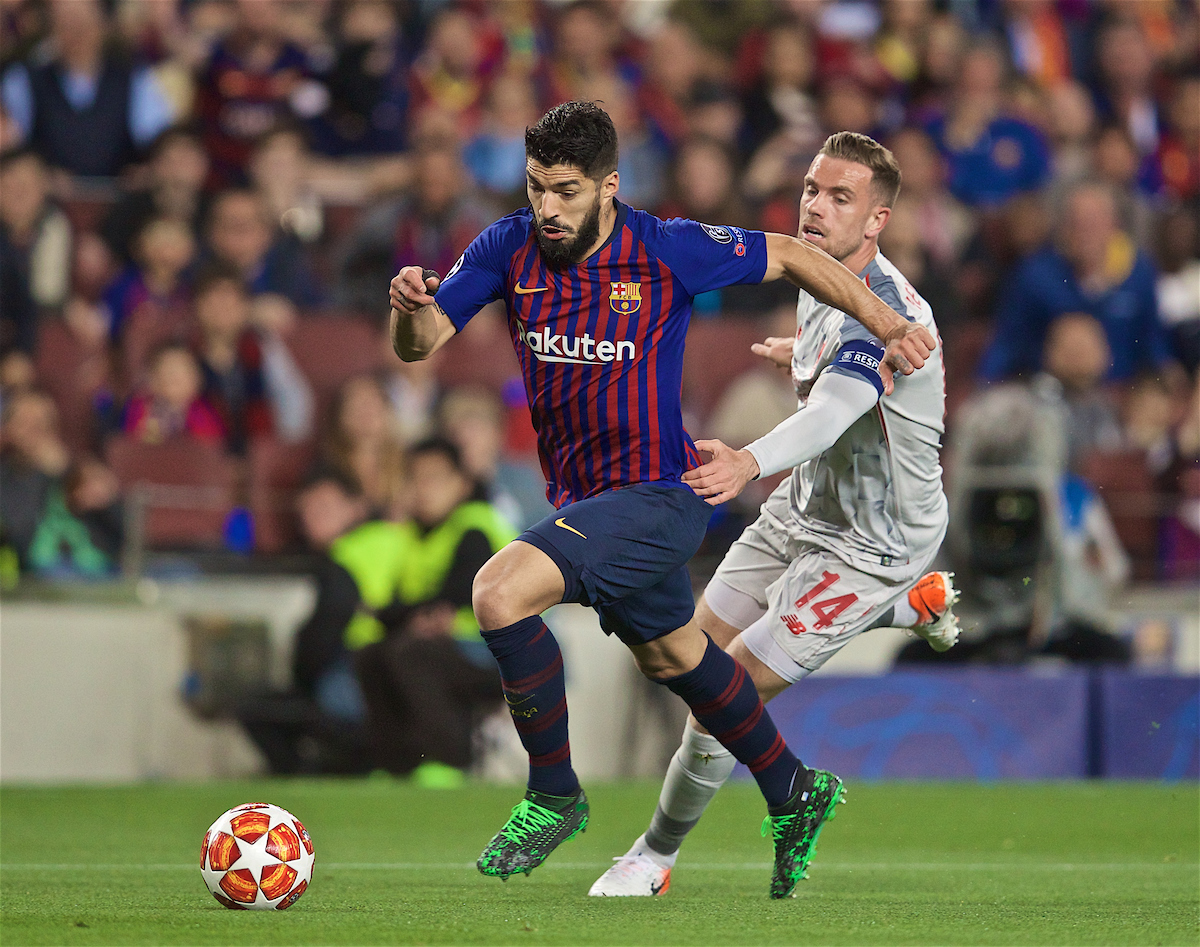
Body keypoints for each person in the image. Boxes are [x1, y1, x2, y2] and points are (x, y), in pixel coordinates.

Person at [389, 102, 935, 898]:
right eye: (538, 187)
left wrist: (886, 320)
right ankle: (792, 788)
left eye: (567, 191)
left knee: (499, 591)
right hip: (586, 499)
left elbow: (787, 253)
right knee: (677, 656)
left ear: (609, 186)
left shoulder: (666, 248)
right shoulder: (508, 245)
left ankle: (553, 794)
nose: (548, 208)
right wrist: (407, 311)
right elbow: (425, 341)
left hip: (660, 494)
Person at [588, 131, 957, 898]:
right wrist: (797, 350)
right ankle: (904, 611)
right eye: (814, 190)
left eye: (841, 197)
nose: (817, 206)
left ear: (879, 219)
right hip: (804, 507)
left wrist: (748, 460)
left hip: (869, 545)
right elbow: (832, 377)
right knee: (688, 659)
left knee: (731, 690)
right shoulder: (818, 279)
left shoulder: (890, 316)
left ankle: (652, 858)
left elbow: (833, 413)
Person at [355, 438, 516, 784]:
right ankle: (396, 764)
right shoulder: (412, 536)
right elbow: (397, 606)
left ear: (462, 484)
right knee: (371, 656)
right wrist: (407, 616)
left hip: (499, 654)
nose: (423, 489)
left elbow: (460, 592)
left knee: (414, 653)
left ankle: (448, 761)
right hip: (447, 648)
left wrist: (410, 615)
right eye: (415, 478)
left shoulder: (475, 525)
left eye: (435, 478)